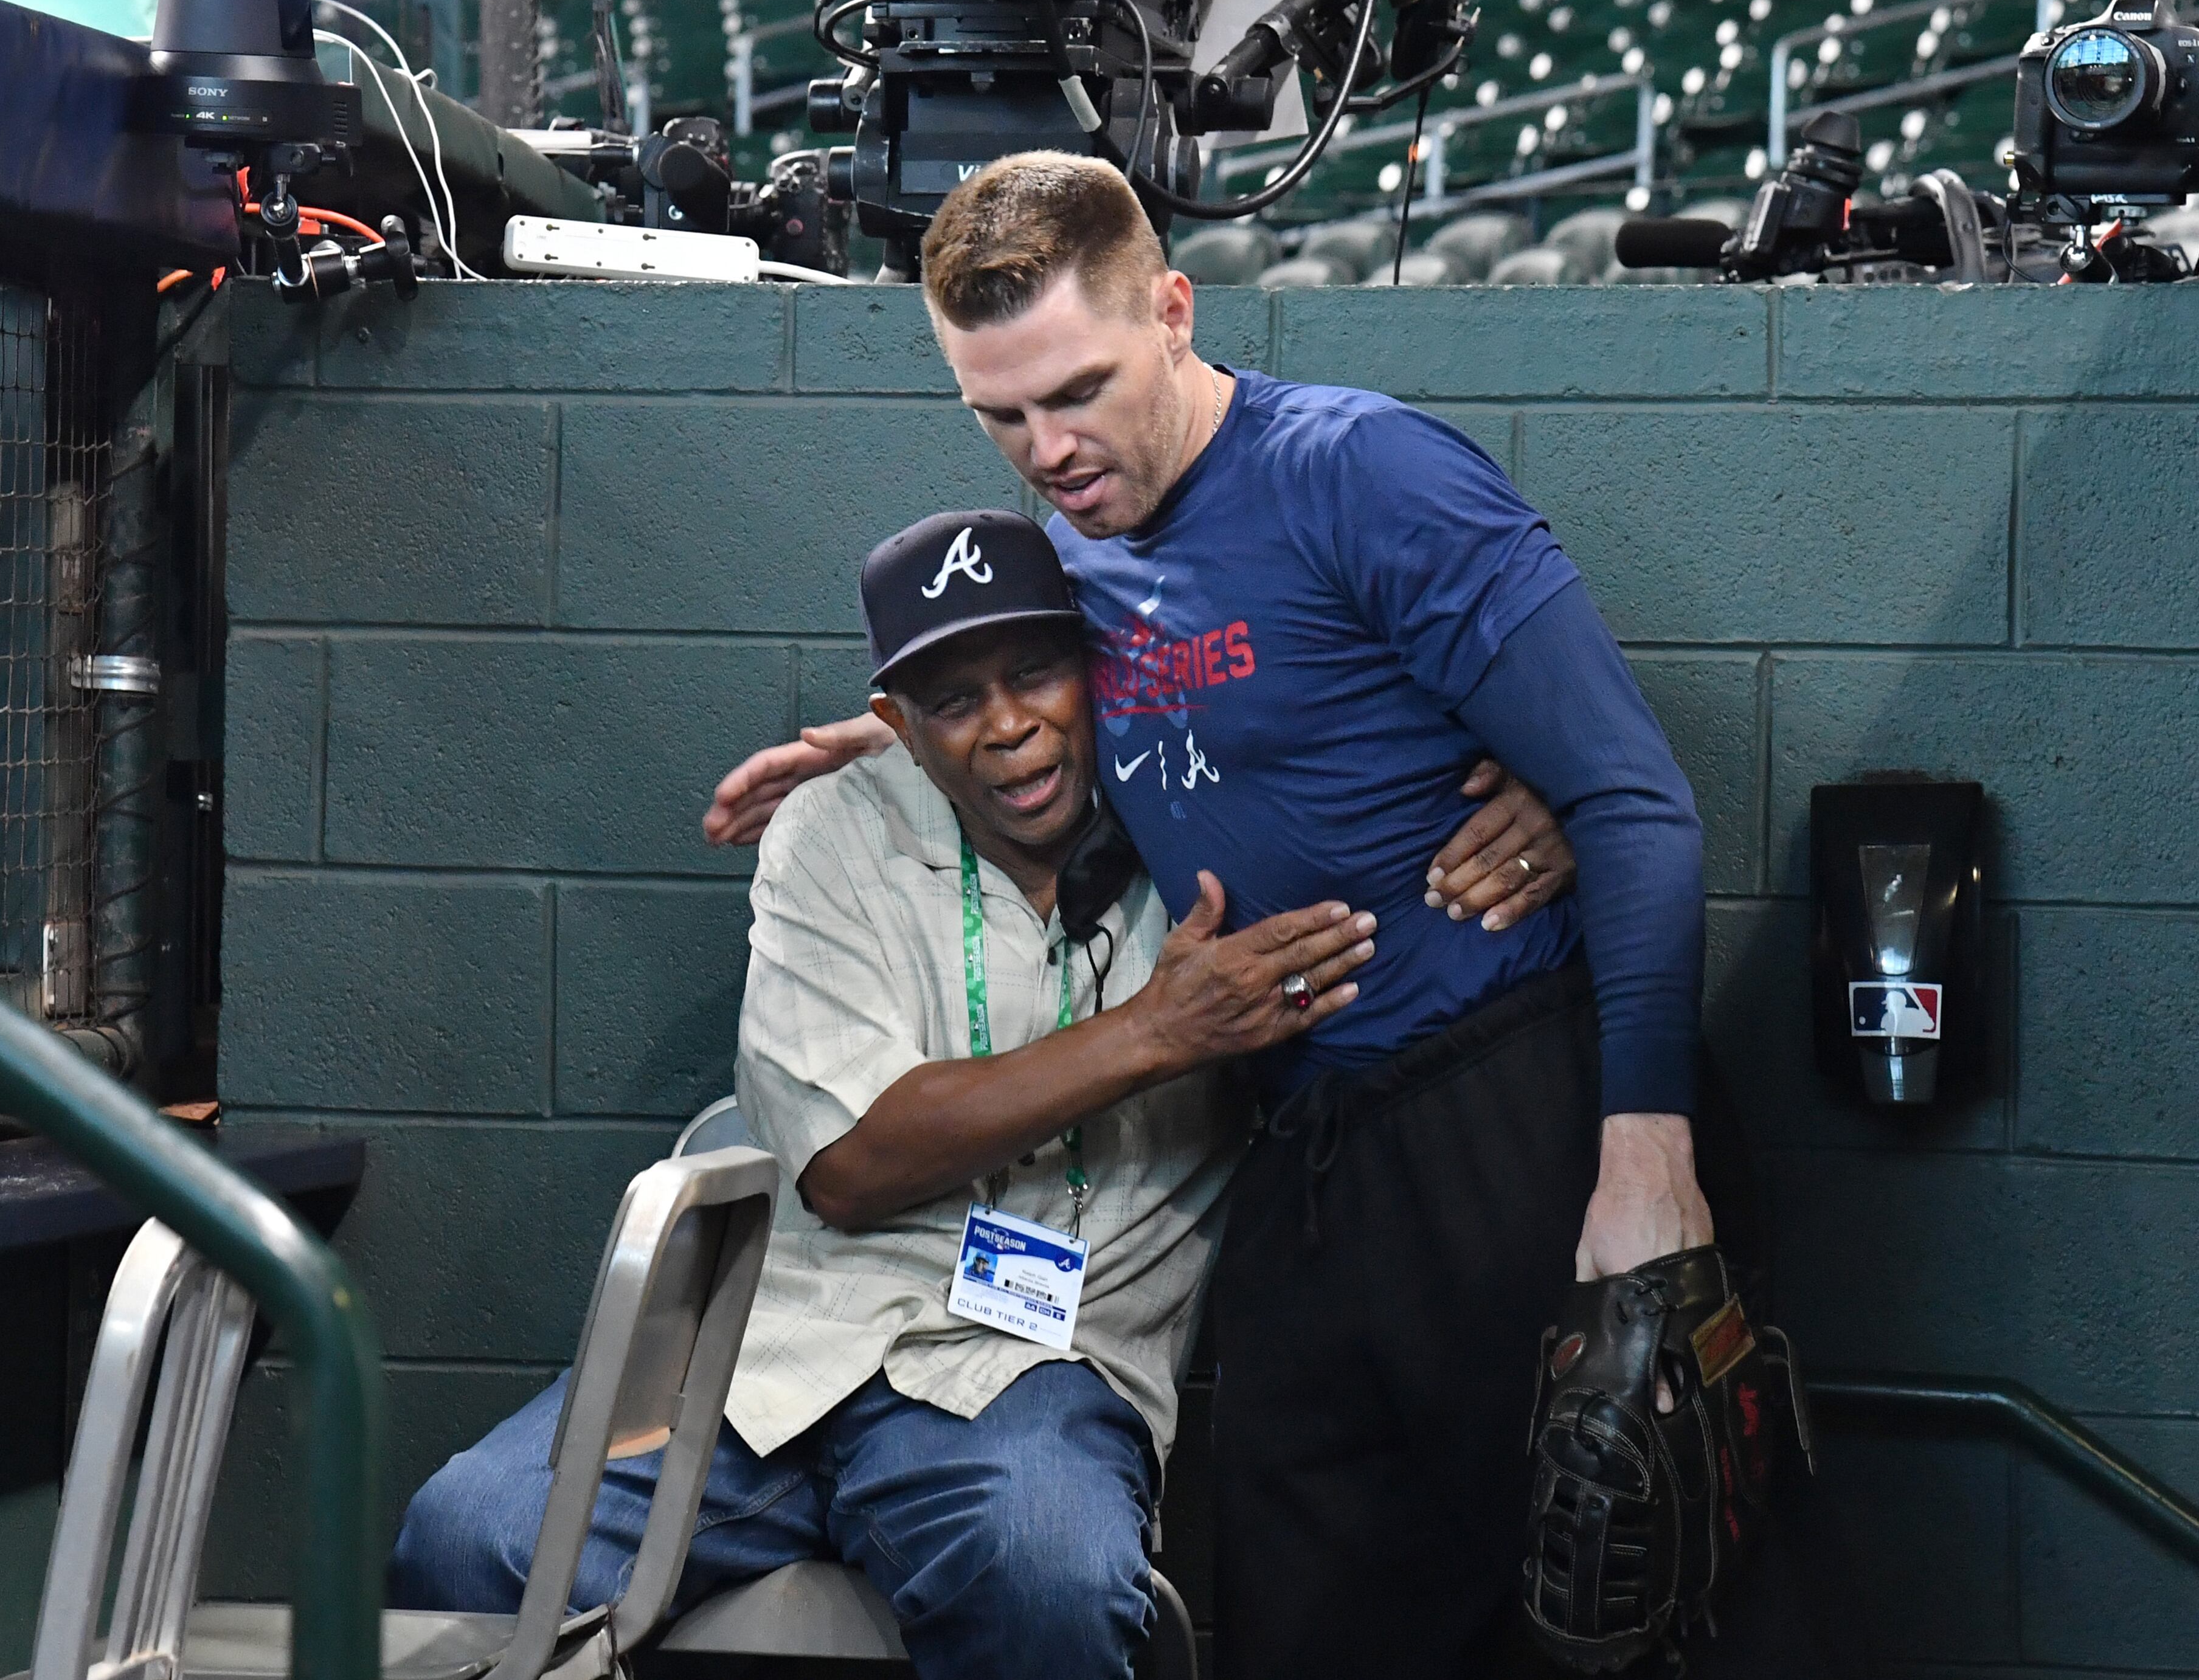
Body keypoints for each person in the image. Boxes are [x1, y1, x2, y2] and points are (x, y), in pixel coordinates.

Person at [701, 151, 1751, 1676]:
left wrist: (1646, 1163)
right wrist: (891, 740)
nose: (1047, 450)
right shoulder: (1079, 547)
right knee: (1299, 1614)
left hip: (1514, 1112)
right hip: (1311, 1154)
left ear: (1176, 312)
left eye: (1079, 390)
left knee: (1595, 1605)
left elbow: (1637, 805)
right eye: (1000, 414)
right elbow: (1108, 720)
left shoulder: (1363, 473)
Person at [390, 509, 1382, 1679]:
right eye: (956, 703)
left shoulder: (1206, 817)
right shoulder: (832, 831)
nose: (1010, 726)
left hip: (1031, 1372)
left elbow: (1401, 776)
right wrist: (1158, 1032)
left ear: (1098, 668)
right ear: (899, 728)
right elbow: (853, 1164)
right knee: (467, 1539)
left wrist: (1547, 818)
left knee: (1049, 1578)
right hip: (780, 1349)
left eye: (1037, 674)